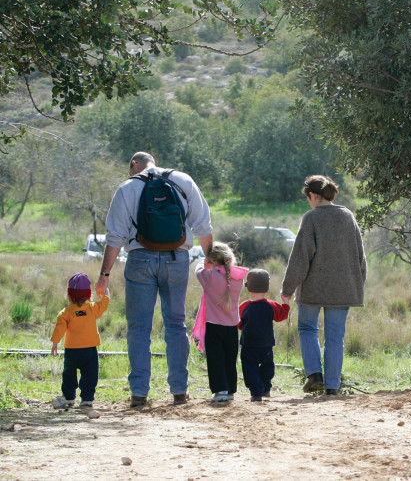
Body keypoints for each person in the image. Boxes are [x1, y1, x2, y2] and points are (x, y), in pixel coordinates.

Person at [95, 152, 213, 408]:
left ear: (134, 165)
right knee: (175, 323)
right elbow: (203, 226)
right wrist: (211, 261)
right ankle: (179, 391)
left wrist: (104, 275)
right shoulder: (183, 180)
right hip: (176, 259)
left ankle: (139, 393)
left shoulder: (127, 188)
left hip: (140, 260)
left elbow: (115, 236)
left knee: (138, 327)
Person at [281, 175, 367, 395]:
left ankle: (314, 375)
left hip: (313, 288)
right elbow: (360, 256)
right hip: (343, 288)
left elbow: (300, 257)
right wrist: (357, 285)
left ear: (312, 195)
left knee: (307, 329)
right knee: (335, 337)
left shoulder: (311, 218)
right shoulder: (348, 216)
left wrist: (288, 289)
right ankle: (332, 388)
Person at [194, 242, 245, 403]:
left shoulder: (209, 277)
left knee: (215, 358)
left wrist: (204, 261)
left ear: (212, 260)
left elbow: (198, 270)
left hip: (213, 325)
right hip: (231, 326)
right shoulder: (237, 279)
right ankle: (230, 390)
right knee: (230, 358)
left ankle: (219, 390)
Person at [51, 273, 110, 409]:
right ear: (88, 295)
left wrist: (55, 343)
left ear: (69, 295)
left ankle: (69, 397)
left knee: (69, 374)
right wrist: (106, 294)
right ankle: (87, 399)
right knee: (90, 374)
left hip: (72, 350)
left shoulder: (65, 313)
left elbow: (60, 328)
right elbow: (103, 305)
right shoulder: (91, 309)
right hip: (89, 350)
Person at [238, 269, 290, 402]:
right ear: (266, 288)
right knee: (268, 366)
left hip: (248, 345)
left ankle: (256, 393)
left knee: (250, 368)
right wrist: (286, 302)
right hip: (266, 345)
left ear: (248, 287)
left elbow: (238, 323)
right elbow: (282, 315)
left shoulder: (244, 306)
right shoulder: (271, 305)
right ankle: (266, 388)